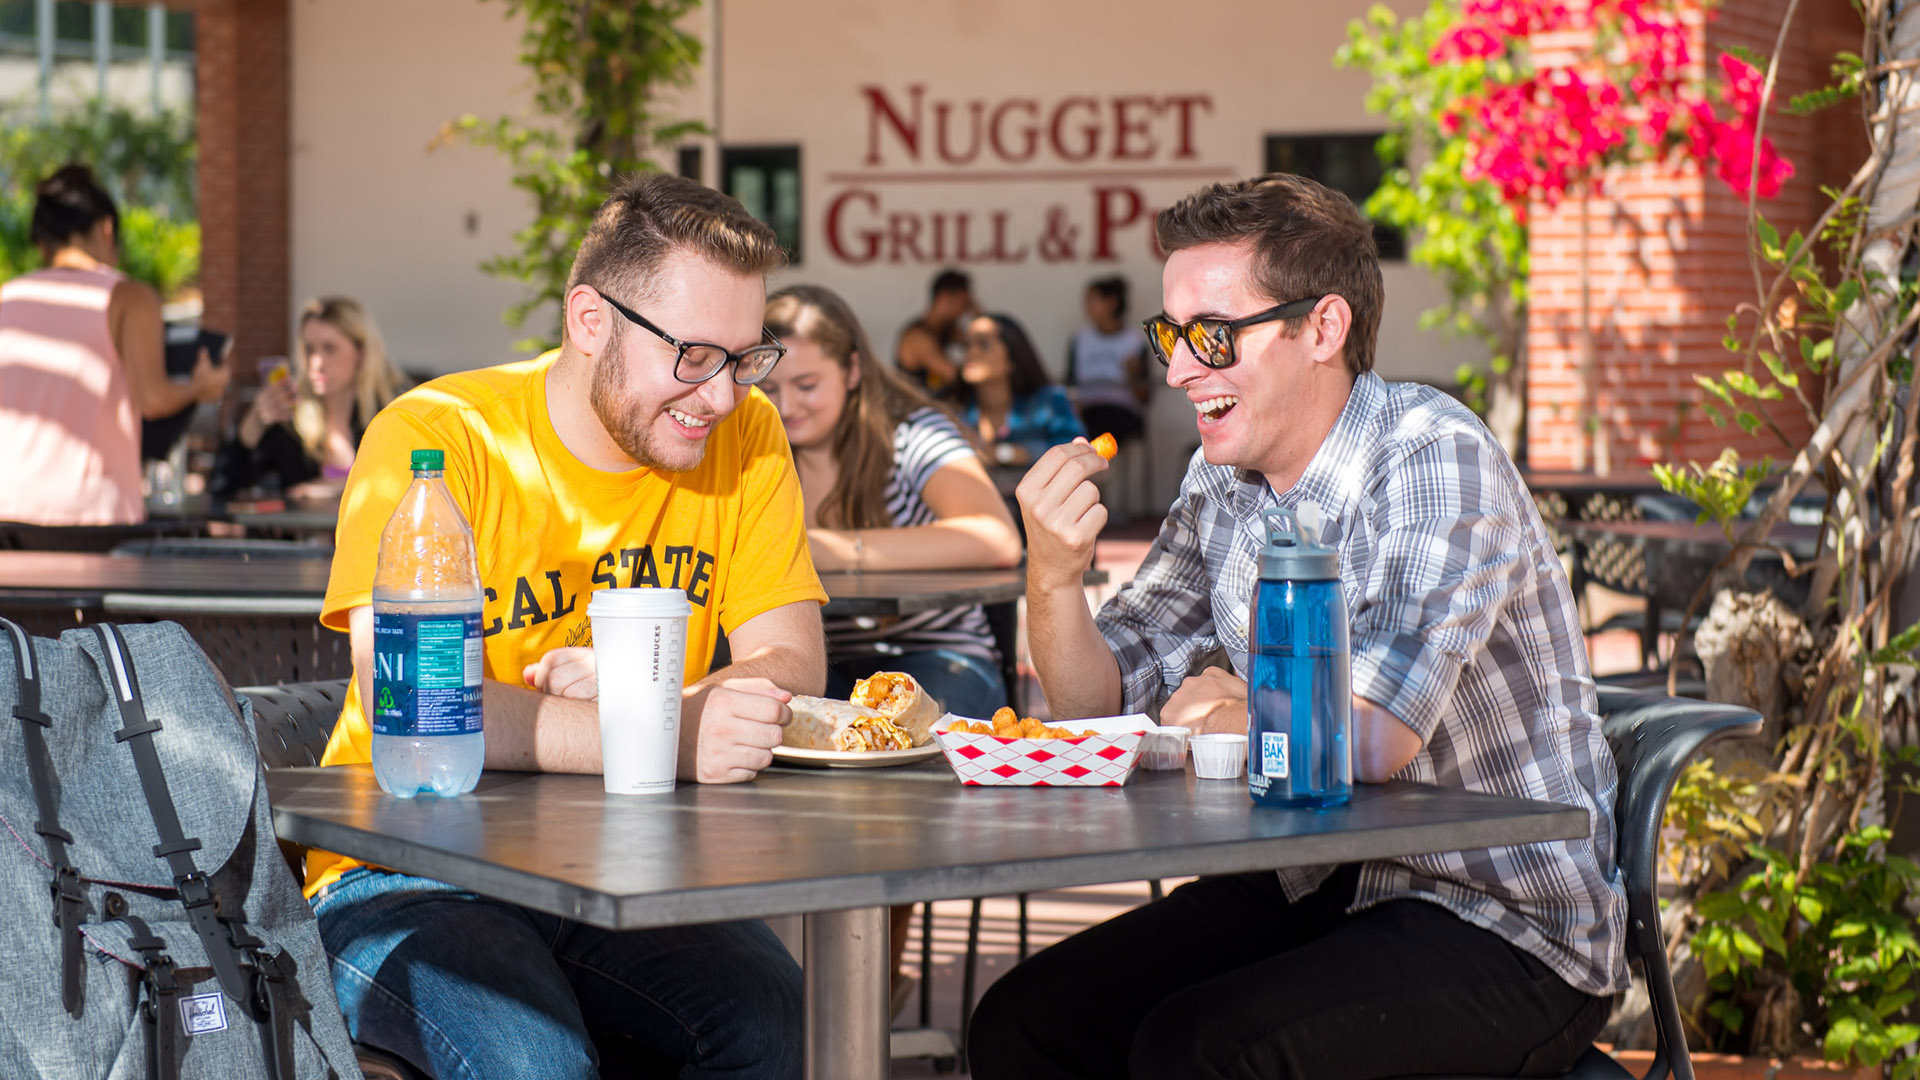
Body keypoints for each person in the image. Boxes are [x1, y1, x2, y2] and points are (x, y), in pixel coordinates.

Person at [977, 173, 1626, 1079]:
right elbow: (1094, 703)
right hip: (1310, 878)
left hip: (1497, 915)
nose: (1176, 371)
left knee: (1196, 1052)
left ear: (1322, 328)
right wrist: (1052, 571)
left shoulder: (1430, 453)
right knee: (1024, 1021)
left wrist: (1235, 706)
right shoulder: (1223, 483)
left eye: (1211, 336)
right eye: (1171, 335)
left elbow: (1371, 737)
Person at [307, 174, 825, 1080]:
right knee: (536, 1064)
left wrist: (651, 702)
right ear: (591, 320)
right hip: (403, 866)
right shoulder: (439, 440)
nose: (724, 396)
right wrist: (656, 731)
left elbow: (790, 663)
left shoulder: (750, 439)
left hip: (623, 868)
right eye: (696, 355)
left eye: (747, 359)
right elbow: (419, 701)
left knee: (773, 1018)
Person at [760, 282, 1023, 1017]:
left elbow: (994, 536)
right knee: (744, 750)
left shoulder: (913, 434)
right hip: (821, 659)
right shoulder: (746, 444)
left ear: (852, 371)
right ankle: (792, 988)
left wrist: (828, 549)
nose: (787, 405)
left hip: (935, 654)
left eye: (807, 383)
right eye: (770, 385)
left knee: (885, 776)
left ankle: (862, 989)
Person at [0, 163, 228, 525]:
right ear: (106, 229)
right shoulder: (129, 297)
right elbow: (152, 399)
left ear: (43, 243)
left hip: (8, 509)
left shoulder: (8, 298)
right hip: (91, 514)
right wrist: (200, 387)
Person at [212, 296, 403, 500]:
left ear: (361, 353)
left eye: (330, 349)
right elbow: (222, 486)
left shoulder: (392, 414)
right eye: (309, 350)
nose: (316, 363)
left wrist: (340, 487)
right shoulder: (292, 418)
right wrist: (254, 423)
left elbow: (412, 479)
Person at [954, 312, 1084, 467]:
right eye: (966, 346)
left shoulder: (1050, 401)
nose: (971, 353)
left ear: (1013, 355)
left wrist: (1005, 453)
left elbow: (1078, 452)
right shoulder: (955, 410)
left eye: (983, 344)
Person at [1064, 276, 1150, 446]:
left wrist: (1133, 375)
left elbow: (1145, 396)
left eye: (1093, 301)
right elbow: (1070, 384)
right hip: (1087, 411)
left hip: (1121, 412)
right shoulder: (1081, 340)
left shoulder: (1134, 342)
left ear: (1112, 302)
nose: (1088, 308)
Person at [894, 267, 975, 395]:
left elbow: (982, 343)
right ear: (944, 298)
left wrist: (978, 316)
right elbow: (952, 374)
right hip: (914, 409)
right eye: (964, 303)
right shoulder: (917, 336)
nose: (964, 310)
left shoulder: (948, 329)